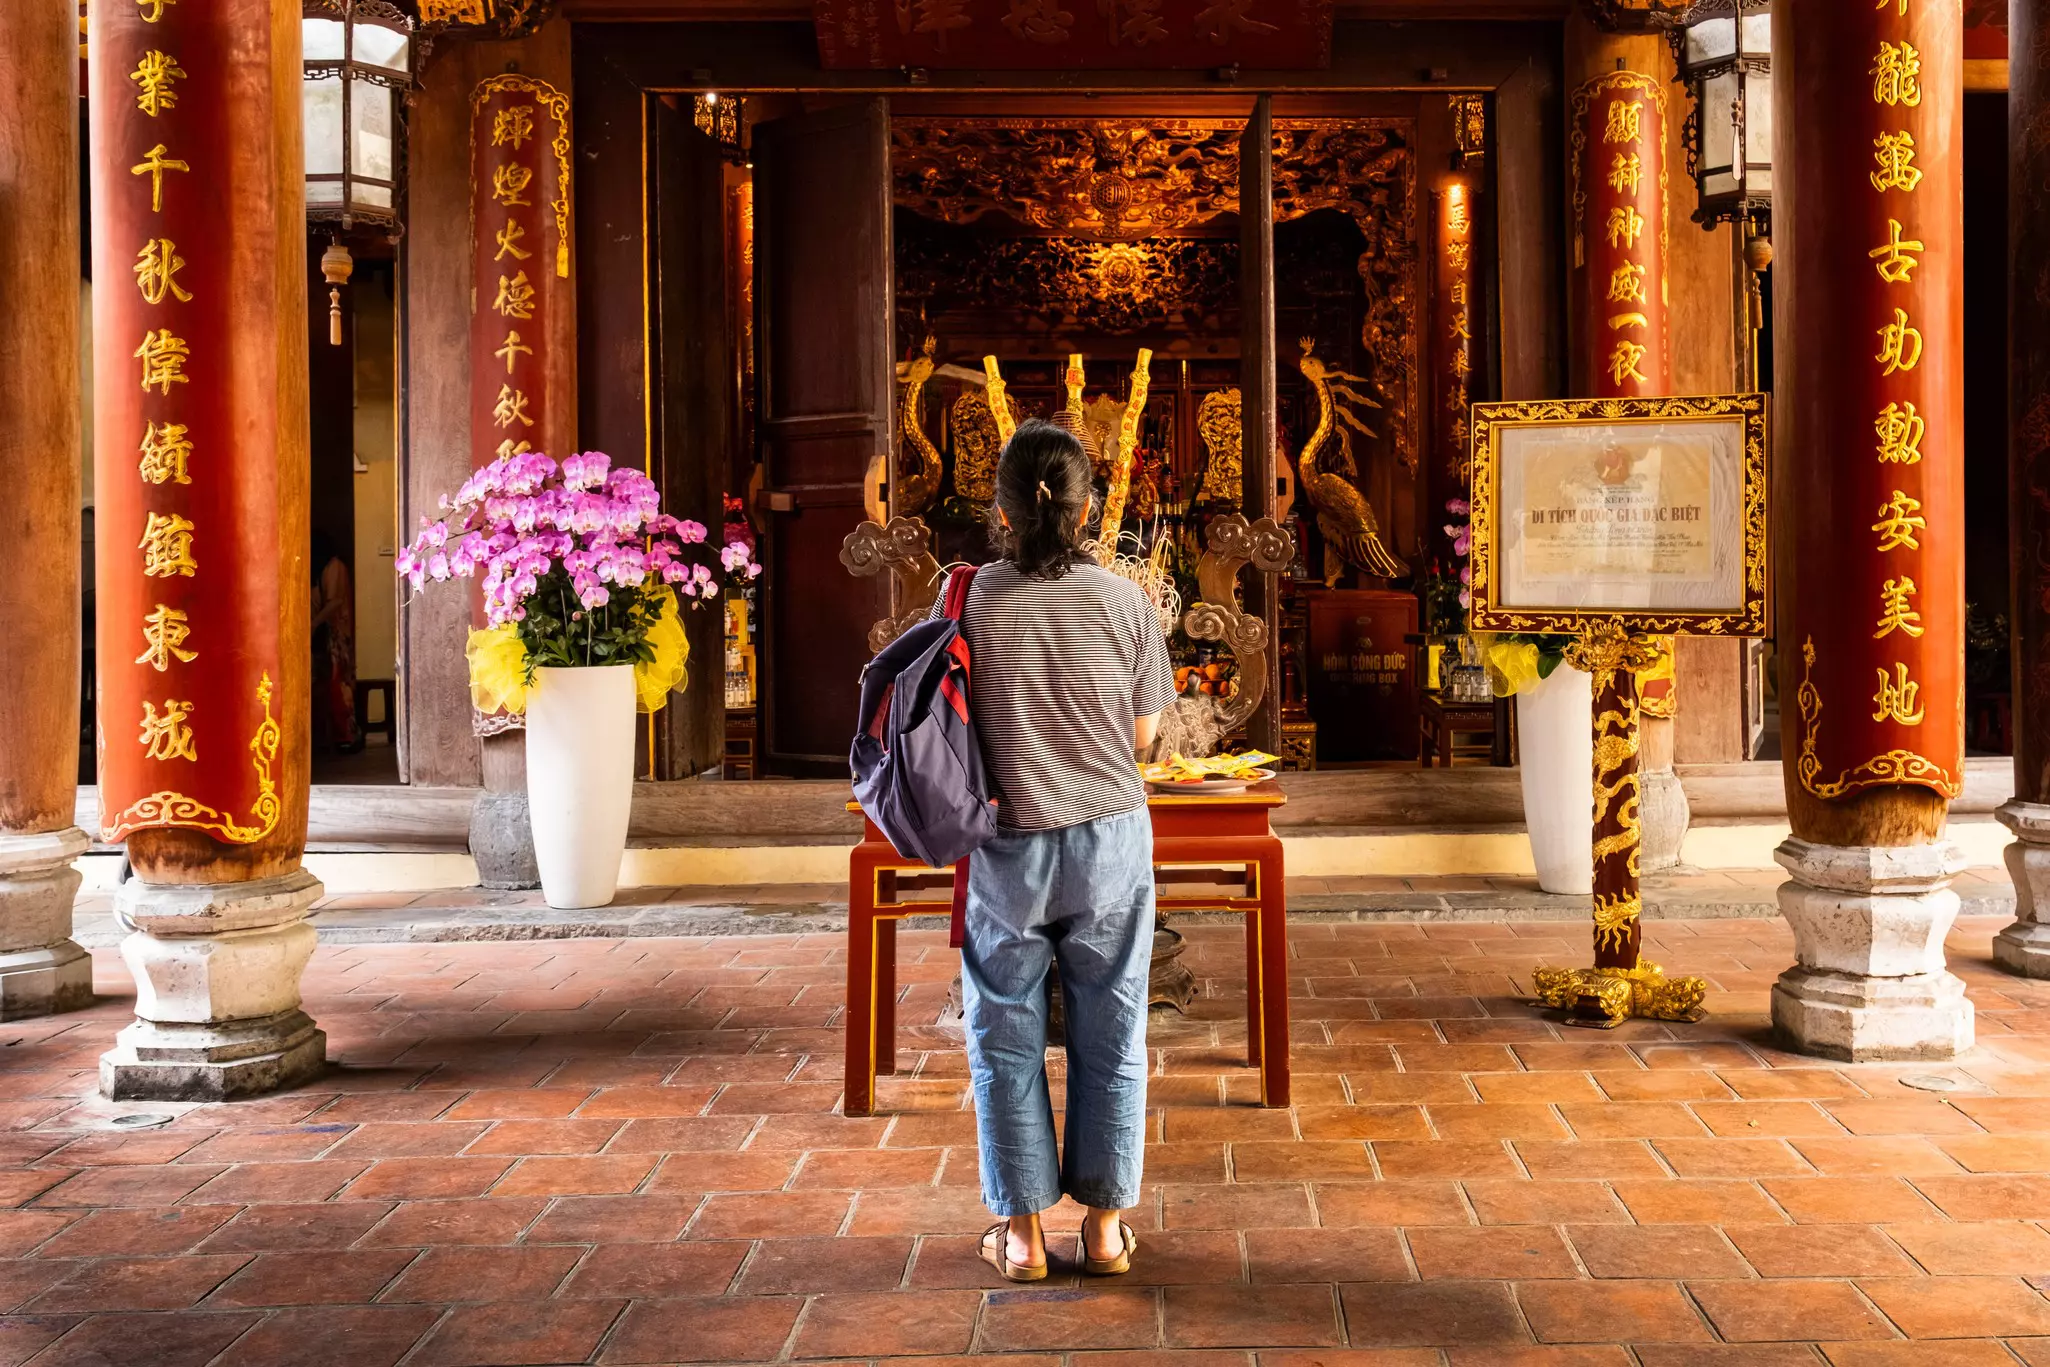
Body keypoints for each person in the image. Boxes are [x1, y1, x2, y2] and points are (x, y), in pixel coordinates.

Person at [942, 418, 1174, 1281]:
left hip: (1008, 843)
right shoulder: (1125, 601)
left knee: (1004, 1031)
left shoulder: (970, 600)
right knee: (1113, 1025)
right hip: (1110, 839)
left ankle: (1023, 1237)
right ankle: (1105, 1231)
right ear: (1088, 509)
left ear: (1001, 510)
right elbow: (1144, 735)